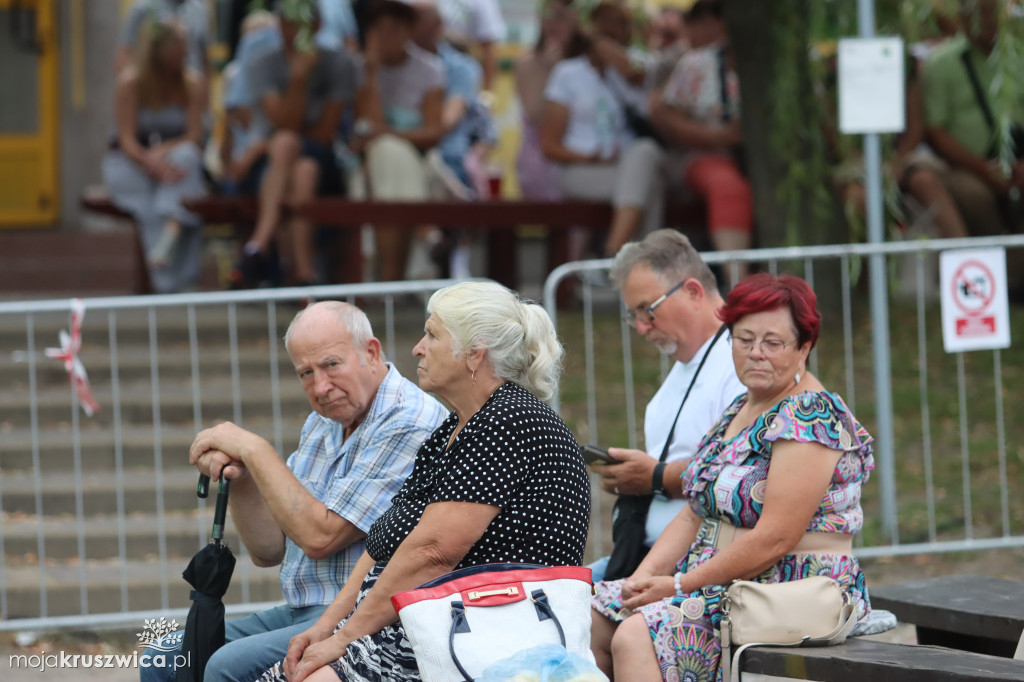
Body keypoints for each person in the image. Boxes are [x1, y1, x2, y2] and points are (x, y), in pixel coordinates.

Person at [256, 281, 591, 682]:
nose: (418, 347)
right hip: (434, 622)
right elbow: (383, 550)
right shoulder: (454, 428)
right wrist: (325, 629)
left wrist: (344, 638)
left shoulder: (507, 421)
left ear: (473, 353)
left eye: (432, 335)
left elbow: (433, 552)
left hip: (483, 633)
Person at [140, 301, 447, 682]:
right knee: (165, 658)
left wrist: (255, 450)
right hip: (300, 608)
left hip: (365, 616)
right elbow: (268, 551)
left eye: (331, 365)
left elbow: (321, 536)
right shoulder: (324, 421)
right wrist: (242, 476)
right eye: (306, 372)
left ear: (371, 352)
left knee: (223, 667)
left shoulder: (410, 418)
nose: (320, 387)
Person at [590, 273, 875, 682]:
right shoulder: (741, 407)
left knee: (637, 635)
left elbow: (776, 537)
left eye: (773, 343)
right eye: (743, 340)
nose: (756, 353)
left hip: (787, 587)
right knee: (592, 616)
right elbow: (693, 514)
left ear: (804, 347)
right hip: (719, 580)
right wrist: (642, 578)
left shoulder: (811, 415)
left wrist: (677, 585)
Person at [589, 230, 745, 583]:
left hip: (696, 567)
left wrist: (653, 477)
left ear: (692, 291)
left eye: (648, 310)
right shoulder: (689, 366)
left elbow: (741, 470)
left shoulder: (742, 362)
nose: (642, 328)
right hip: (648, 556)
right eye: (634, 315)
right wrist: (637, 477)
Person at [240, 3, 360, 287]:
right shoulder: (262, 62)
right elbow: (285, 123)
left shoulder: (339, 63)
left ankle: (260, 242)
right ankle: (304, 274)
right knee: (302, 170)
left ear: (317, 26)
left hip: (318, 158)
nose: (292, 31)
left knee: (286, 144)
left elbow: (323, 133)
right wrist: (297, 78)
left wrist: (299, 77)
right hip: (276, 165)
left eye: (300, 23)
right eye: (287, 22)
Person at [102, 17, 207, 294]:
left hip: (172, 163)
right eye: (180, 46)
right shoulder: (131, 83)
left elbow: (195, 135)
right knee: (154, 205)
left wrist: (163, 153)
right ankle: (170, 284)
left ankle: (172, 242)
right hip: (131, 161)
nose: (186, 51)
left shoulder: (193, 83)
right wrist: (150, 162)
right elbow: (126, 139)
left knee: (186, 159)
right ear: (159, 50)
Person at [650, 0, 752, 278]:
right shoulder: (697, 63)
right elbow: (668, 117)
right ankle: (738, 284)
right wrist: (716, 137)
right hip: (704, 157)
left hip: (758, 161)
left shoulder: (778, 62)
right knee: (728, 187)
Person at [541, 31, 664, 257]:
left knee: (646, 156)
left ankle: (617, 257)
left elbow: (635, 72)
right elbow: (549, 146)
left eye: (622, 25)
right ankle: (627, 264)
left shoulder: (631, 73)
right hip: (581, 170)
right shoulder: (568, 73)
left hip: (625, 168)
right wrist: (589, 157)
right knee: (649, 184)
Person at [351, 0, 447, 282]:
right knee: (385, 153)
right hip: (370, 162)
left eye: (393, 29)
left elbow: (432, 133)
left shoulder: (430, 69)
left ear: (408, 31)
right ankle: (425, 231)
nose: (385, 37)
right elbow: (366, 128)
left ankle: (389, 279)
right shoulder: (361, 69)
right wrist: (371, 75)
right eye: (378, 30)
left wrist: (388, 135)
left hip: (419, 160)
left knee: (388, 152)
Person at [921, 0, 1024, 237]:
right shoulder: (940, 63)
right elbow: (934, 130)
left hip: (1018, 161)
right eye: (980, 12)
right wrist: (983, 169)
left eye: (991, 11)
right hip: (966, 167)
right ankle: (988, 258)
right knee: (975, 196)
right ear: (963, 17)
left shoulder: (1018, 54)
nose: (986, 20)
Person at [514, 0, 577, 200]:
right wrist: (553, 72)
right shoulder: (527, 62)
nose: (552, 24)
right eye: (547, 16)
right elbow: (535, 116)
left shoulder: (590, 63)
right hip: (540, 162)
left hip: (581, 156)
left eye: (560, 17)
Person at [116, 0, 211, 80]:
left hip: (190, 93)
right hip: (153, 91)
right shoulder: (144, 8)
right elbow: (125, 55)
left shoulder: (200, 10)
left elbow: (205, 58)